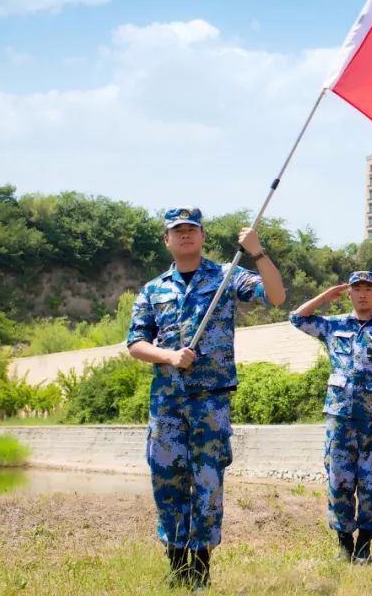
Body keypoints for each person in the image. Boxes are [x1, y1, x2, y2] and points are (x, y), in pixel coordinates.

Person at [127, 207, 286, 588]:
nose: (184, 236)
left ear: (202, 237)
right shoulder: (153, 290)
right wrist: (168, 356)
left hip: (210, 402)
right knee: (167, 482)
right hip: (167, 403)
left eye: (191, 230)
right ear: (167, 240)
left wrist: (258, 253)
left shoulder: (226, 276)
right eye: (176, 231)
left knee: (207, 483)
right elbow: (135, 343)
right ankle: (176, 564)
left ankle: (200, 568)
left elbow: (277, 296)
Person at [290, 271, 372, 563]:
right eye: (357, 289)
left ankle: (365, 545)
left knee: (371, 482)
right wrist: (325, 296)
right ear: (350, 293)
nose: (363, 294)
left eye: (368, 289)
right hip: (340, 419)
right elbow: (297, 318)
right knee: (339, 481)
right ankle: (344, 544)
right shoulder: (334, 326)